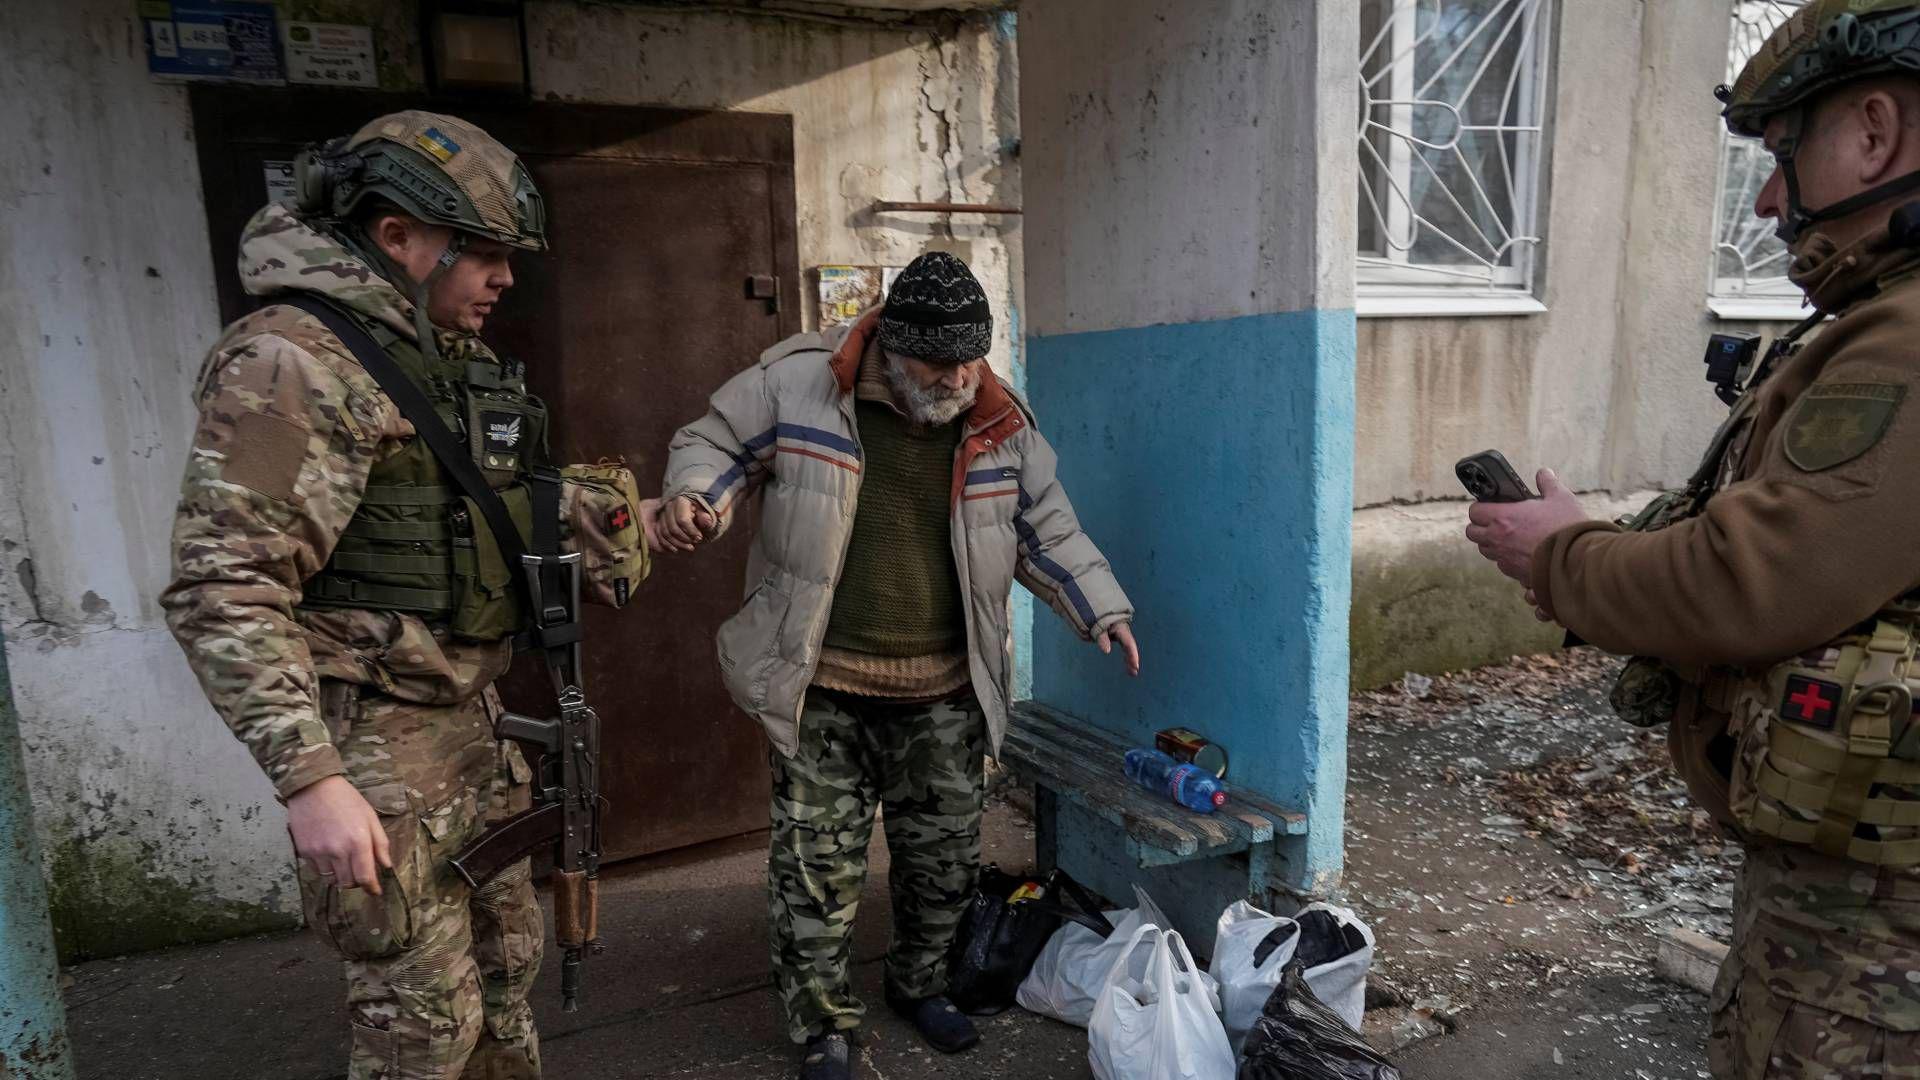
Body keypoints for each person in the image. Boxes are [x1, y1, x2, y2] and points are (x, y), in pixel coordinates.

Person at [1467, 2, 1920, 1073]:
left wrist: (1560, 556)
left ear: (1872, 131)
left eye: (1780, 156)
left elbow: (1745, 579)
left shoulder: (1905, 343)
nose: (1767, 198)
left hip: (1876, 928)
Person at [162, 111, 649, 1079]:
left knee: (508, 986)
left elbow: (469, 519)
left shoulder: (444, 358)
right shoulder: (292, 363)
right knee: (420, 1032)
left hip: (475, 730)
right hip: (380, 753)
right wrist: (311, 779)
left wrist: (604, 518)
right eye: (485, 254)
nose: (506, 278)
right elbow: (225, 583)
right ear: (398, 238)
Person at [645, 251, 1139, 1080]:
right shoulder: (800, 385)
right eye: (938, 361)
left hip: (945, 691)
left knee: (940, 864)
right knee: (816, 874)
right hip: (822, 688)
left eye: (969, 359)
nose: (956, 378)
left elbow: (1044, 527)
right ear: (891, 346)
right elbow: (714, 442)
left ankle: (920, 985)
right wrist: (697, 497)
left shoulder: (996, 417)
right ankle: (825, 1027)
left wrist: (1102, 608)